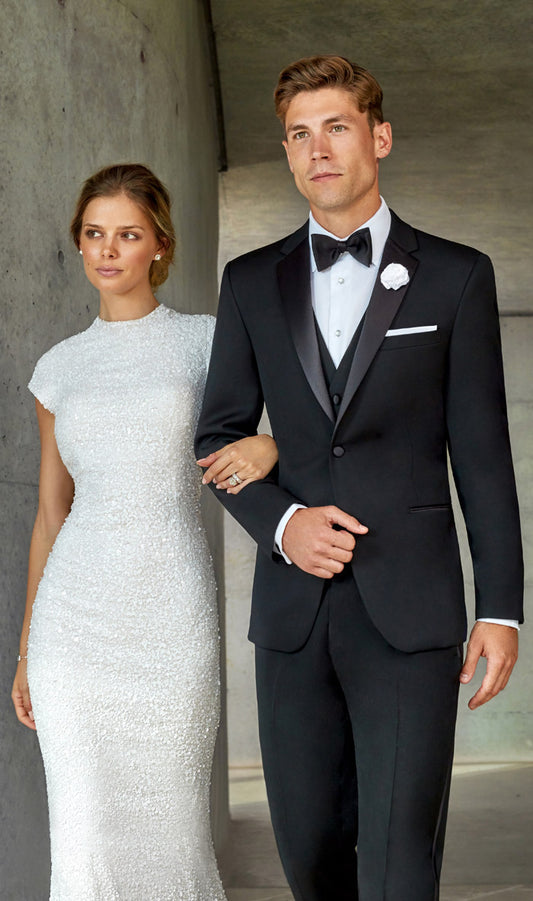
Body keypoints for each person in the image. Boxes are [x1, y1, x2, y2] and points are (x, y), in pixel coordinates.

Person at [195, 56, 524, 900]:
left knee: (398, 851)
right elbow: (220, 437)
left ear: (378, 136)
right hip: (292, 616)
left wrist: (499, 608)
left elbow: (482, 453)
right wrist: (281, 522)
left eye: (335, 126)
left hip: (410, 608)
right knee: (307, 851)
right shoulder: (249, 282)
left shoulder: (456, 275)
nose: (318, 149)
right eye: (299, 135)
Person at [11, 163, 278, 900]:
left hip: (169, 613)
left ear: (159, 244)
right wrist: (28, 648)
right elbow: (50, 513)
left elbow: (301, 428)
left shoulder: (207, 341)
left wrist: (270, 445)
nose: (107, 250)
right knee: (85, 831)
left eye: (127, 234)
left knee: (172, 829)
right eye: (94, 234)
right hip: (74, 624)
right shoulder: (58, 368)